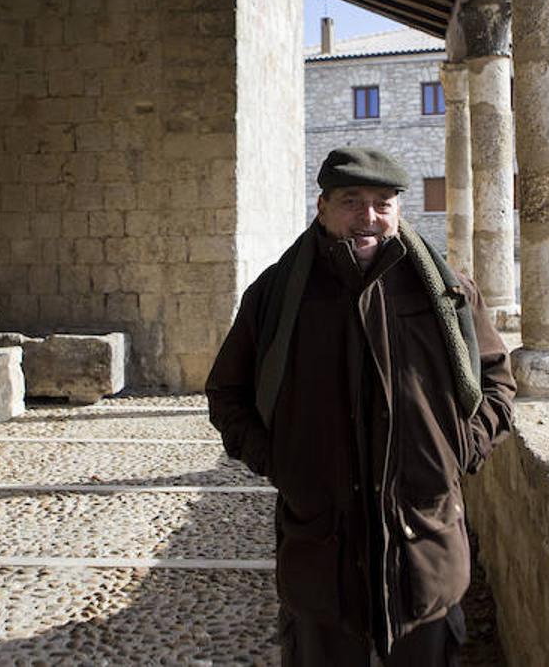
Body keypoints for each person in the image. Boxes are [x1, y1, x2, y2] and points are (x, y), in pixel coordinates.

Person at [206, 147, 516, 666]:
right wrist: (275, 458)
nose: (367, 217)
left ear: (398, 210)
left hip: (425, 544)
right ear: (323, 206)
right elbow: (227, 393)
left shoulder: (446, 293)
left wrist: (464, 447)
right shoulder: (277, 295)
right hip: (321, 549)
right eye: (352, 201)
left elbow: (497, 383)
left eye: (382, 202)